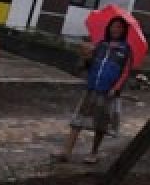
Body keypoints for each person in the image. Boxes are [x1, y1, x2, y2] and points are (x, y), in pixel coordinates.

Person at [52, 16, 132, 164]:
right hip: (92, 88)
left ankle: (93, 153)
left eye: (120, 27)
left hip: (108, 93)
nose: (116, 29)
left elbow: (126, 72)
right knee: (78, 120)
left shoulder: (126, 50)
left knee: (101, 124)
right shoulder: (101, 45)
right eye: (114, 26)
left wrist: (116, 88)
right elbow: (86, 67)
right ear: (109, 28)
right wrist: (86, 57)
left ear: (124, 30)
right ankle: (66, 152)